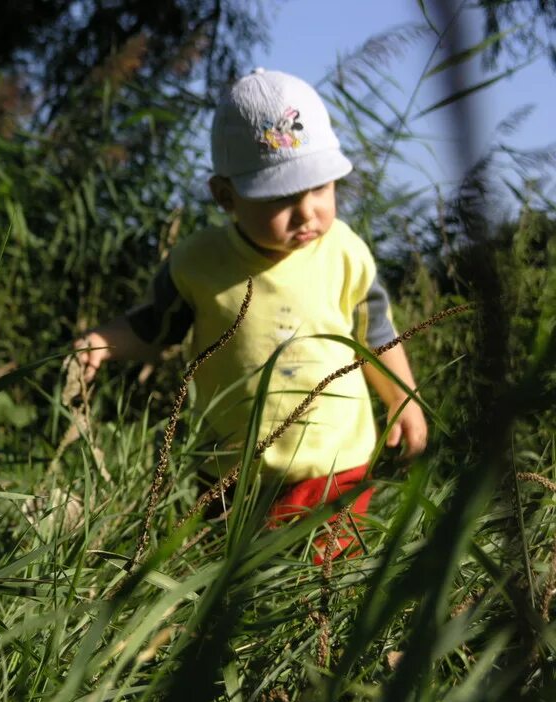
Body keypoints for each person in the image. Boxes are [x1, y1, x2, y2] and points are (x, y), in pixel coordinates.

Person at [74, 68, 427, 562]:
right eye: (282, 197)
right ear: (226, 196)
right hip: (229, 467)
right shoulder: (199, 263)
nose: (307, 212)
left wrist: (402, 398)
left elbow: (379, 335)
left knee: (320, 586)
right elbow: (155, 326)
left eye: (321, 189)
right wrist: (102, 342)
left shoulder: (345, 252)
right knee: (231, 581)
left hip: (335, 459)